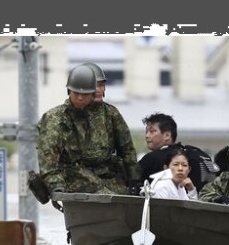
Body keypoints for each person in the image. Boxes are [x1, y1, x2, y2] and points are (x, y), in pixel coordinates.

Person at [36, 63, 139, 195]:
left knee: (126, 203)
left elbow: (127, 149)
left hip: (109, 177)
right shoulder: (56, 118)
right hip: (74, 180)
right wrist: (57, 187)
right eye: (77, 93)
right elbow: (48, 161)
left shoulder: (110, 114)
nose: (80, 97)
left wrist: (135, 179)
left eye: (84, 94)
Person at [137, 112, 217, 191]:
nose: (147, 136)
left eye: (152, 131)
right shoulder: (198, 153)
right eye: (146, 132)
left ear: (167, 135)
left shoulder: (151, 158)